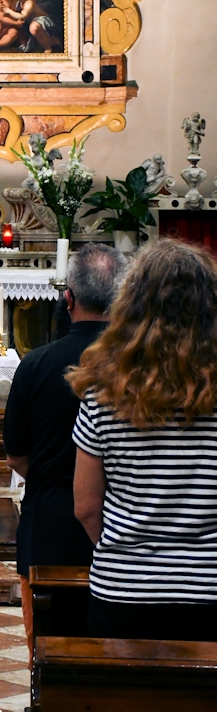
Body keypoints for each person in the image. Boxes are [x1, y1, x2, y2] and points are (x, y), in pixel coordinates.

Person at [70, 239, 217, 641]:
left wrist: (130, 556)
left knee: (123, 704)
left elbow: (86, 507)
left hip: (124, 593)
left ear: (130, 304)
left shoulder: (103, 394)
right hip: (211, 592)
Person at [3, 244, 127, 646]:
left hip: (51, 523)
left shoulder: (36, 364)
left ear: (68, 298)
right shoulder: (140, 367)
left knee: (48, 650)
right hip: (124, 524)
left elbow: (16, 455)